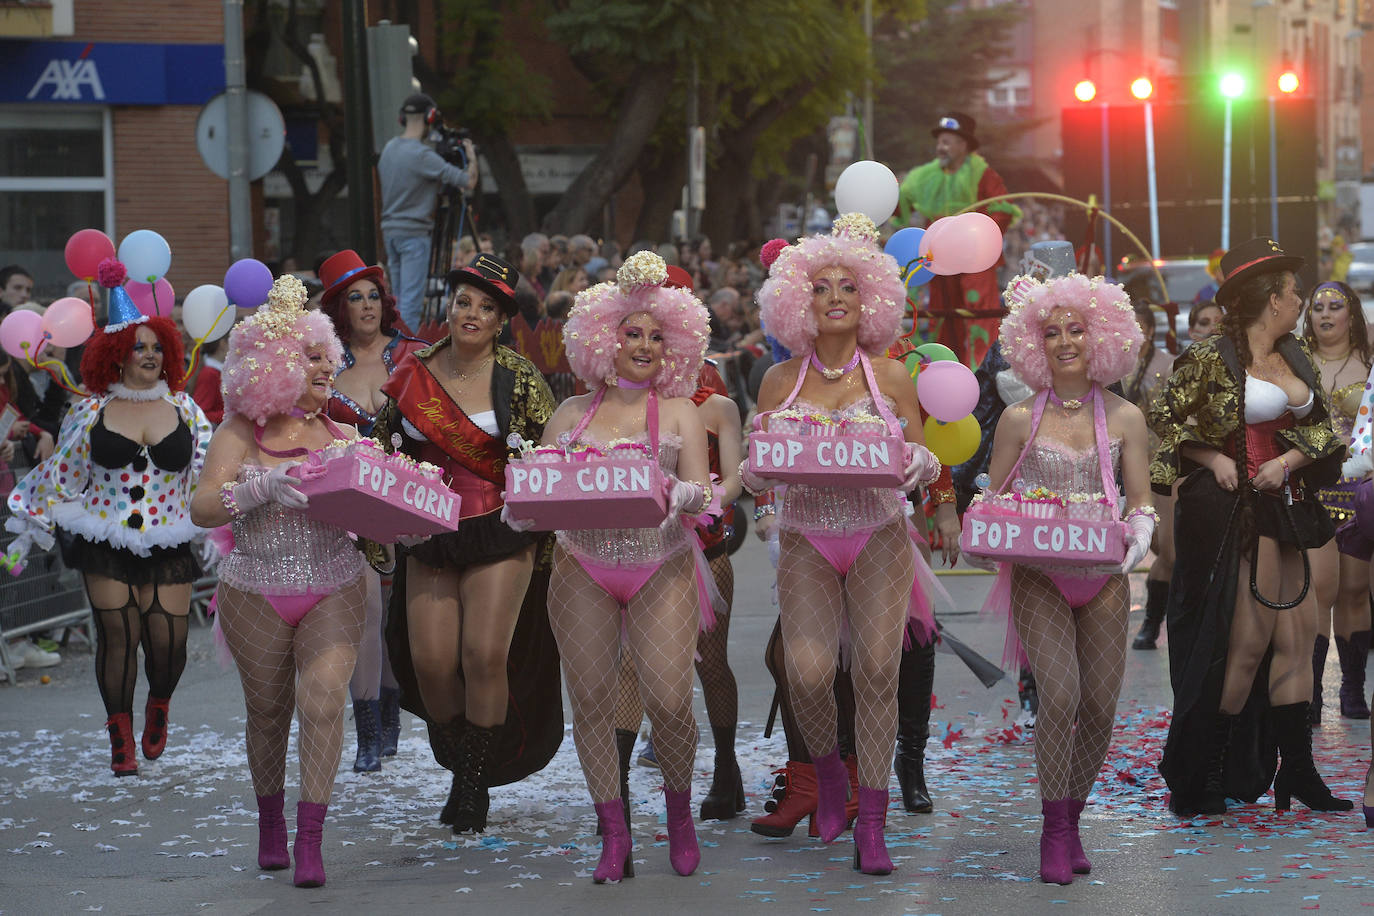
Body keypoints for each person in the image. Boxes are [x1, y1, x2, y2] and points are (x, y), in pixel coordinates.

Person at [744, 213, 942, 875]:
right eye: (821, 287)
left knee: (878, 673)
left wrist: (922, 465)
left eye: (848, 287)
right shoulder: (778, 382)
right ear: (800, 301)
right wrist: (749, 473)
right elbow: (757, 465)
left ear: (869, 301)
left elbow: (923, 453)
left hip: (879, 532)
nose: (834, 297)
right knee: (805, 674)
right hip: (805, 535)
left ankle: (874, 823)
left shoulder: (891, 377)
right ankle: (829, 774)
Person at [534, 251, 717, 882]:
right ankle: (614, 835)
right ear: (601, 341)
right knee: (588, 701)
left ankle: (679, 813)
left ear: (675, 347)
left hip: (661, 563)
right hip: (580, 564)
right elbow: (539, 490)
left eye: (656, 336)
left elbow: (706, 493)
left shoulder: (683, 412)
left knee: (668, 700)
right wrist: (521, 507)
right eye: (630, 333)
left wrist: (688, 498)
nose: (642, 345)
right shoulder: (567, 415)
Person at [1151, 238, 1351, 817]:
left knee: (1299, 639)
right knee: (1246, 646)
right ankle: (1206, 772)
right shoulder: (1213, 357)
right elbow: (1163, 417)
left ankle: (1299, 774)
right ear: (1269, 299)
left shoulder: (1296, 355)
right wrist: (1213, 459)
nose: (1300, 299)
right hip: (1239, 516)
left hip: (1292, 506)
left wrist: (1287, 462)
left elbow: (1324, 430)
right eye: (1292, 292)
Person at [191, 275, 368, 888]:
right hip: (254, 587)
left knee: (322, 702)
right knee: (267, 713)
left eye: (328, 355)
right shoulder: (241, 432)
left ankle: (311, 840)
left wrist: (400, 527)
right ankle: (270, 824)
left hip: (336, 584)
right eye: (312, 356)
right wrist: (253, 489)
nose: (329, 366)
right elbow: (202, 507)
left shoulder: (345, 436)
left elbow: (372, 521)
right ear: (274, 366)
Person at [974, 273, 1150, 885]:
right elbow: (992, 501)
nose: (1066, 342)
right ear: (1034, 344)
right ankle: (1052, 830)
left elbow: (1141, 499)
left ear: (1102, 337)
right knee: (1062, 697)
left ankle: (1072, 818)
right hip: (1040, 578)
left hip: (1104, 577)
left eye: (1077, 330)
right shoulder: (1019, 419)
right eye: (1052, 332)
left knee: (1100, 709)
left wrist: (1142, 527)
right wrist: (979, 522)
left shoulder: (1126, 416)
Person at [374, 252, 559, 835]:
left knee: (483, 655)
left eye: (486, 306)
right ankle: (461, 762)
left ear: (502, 319)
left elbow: (548, 455)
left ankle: (472, 784)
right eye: (463, 301)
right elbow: (381, 451)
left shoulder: (520, 376)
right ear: (449, 308)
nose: (472, 312)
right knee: (430, 665)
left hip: (499, 525)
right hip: (430, 526)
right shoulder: (412, 371)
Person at [6, 283, 212, 776]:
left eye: (156, 346)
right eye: (137, 346)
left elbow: (211, 471)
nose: (148, 354)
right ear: (115, 356)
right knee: (118, 635)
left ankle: (158, 702)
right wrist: (27, 525)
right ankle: (119, 732)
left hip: (168, 538)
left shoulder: (187, 410)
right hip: (105, 539)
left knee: (168, 644)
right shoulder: (90, 410)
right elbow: (62, 473)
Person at [317, 250, 428, 772]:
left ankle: (391, 717)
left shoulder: (417, 355)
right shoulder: (320, 363)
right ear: (339, 308)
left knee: (401, 618)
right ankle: (367, 736)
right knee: (367, 613)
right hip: (351, 507)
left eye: (373, 295)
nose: (366, 306)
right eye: (353, 297)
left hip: (414, 501)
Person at [896, 112, 1021, 367]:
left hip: (974, 260)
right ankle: (943, 366)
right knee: (942, 315)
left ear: (964, 145)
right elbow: (902, 203)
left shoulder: (983, 174)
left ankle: (982, 371)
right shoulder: (924, 176)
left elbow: (1003, 209)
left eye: (947, 141)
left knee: (978, 313)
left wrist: (977, 237)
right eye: (939, 141)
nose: (941, 147)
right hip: (939, 260)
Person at [1302, 282, 1373, 721]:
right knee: (1317, 590)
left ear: (1353, 316)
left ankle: (1351, 689)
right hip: (1310, 492)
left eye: (1335, 306)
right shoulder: (1295, 365)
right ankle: (1310, 695)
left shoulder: (1369, 365)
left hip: (1359, 492)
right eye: (1317, 307)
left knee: (1353, 590)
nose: (1326, 314)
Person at [378, 93, 479, 332]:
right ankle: (407, 358)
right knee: (411, 306)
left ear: (403, 118)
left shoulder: (389, 149)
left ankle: (394, 351)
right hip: (414, 234)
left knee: (398, 302)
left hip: (390, 232)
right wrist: (471, 155)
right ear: (430, 117)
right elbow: (468, 181)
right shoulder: (422, 156)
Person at [1125, 303, 1179, 651]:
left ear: (1149, 329)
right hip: (1120, 468)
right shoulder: (1112, 365)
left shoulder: (1169, 364)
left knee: (1169, 551)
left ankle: (1151, 621)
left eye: (1141, 325)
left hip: (1162, 467)